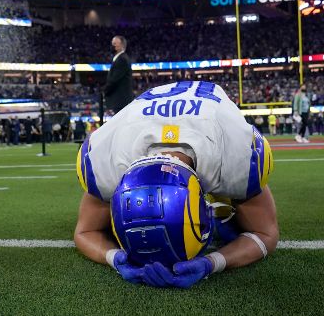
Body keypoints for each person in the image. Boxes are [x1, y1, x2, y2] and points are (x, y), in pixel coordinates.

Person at [74, 80, 278, 288]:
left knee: (232, 224)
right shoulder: (107, 160)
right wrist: (115, 258)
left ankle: (222, 211)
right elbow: (84, 231)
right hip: (147, 115)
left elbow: (266, 234)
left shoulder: (234, 156)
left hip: (207, 106)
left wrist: (211, 263)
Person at [103, 35, 134, 115]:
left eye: (114, 43)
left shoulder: (122, 59)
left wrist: (105, 90)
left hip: (121, 101)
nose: (112, 46)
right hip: (120, 100)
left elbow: (114, 79)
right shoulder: (118, 58)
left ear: (122, 45)